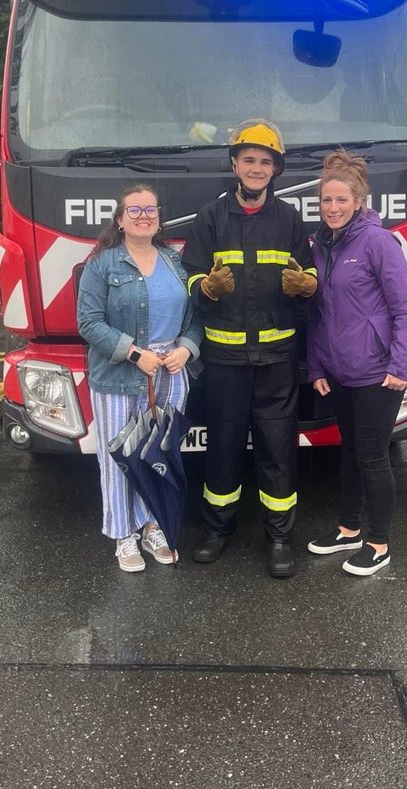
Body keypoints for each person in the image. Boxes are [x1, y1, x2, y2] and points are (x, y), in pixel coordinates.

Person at [182, 119, 318, 579]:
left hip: (278, 360)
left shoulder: (289, 220)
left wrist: (305, 285)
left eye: (266, 161)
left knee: (278, 450)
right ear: (234, 164)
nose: (257, 168)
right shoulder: (211, 217)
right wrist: (208, 287)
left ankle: (279, 538)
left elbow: (312, 275)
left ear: (275, 170)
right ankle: (217, 531)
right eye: (249, 159)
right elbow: (191, 276)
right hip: (225, 361)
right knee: (221, 447)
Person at [306, 150, 407, 576]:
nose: (333, 208)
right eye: (326, 201)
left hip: (378, 374)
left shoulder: (378, 243)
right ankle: (348, 529)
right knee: (350, 452)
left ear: (359, 201)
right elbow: (320, 313)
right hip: (339, 373)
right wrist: (317, 367)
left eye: (341, 200)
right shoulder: (321, 245)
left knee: (373, 456)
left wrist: (400, 366)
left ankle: (378, 544)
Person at [77, 185, 202, 572]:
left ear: (159, 218)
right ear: (120, 219)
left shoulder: (176, 262)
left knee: (157, 455)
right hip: (118, 374)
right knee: (118, 458)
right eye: (134, 210)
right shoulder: (101, 265)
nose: (143, 215)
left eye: (150, 209)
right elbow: (88, 322)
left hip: (170, 375)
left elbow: (195, 318)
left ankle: (152, 526)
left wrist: (186, 349)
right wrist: (134, 353)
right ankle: (123, 536)